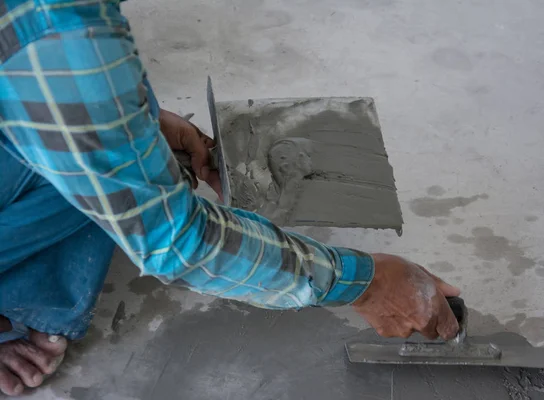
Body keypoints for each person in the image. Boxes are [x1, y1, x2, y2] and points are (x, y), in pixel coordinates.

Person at [0, 1, 460, 396]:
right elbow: (175, 241)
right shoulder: (57, 27)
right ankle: (16, 312)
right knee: (105, 173)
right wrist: (366, 283)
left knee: (106, 104)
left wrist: (137, 120)